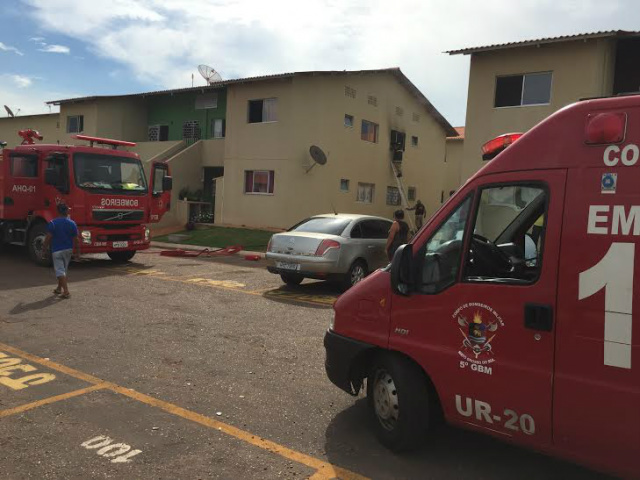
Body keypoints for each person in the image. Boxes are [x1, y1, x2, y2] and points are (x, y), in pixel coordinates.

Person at [43, 203, 79, 299]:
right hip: (68, 250)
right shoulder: (72, 223)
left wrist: (44, 249)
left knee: (59, 271)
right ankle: (59, 288)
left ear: (58, 211)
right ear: (67, 211)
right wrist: (77, 252)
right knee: (63, 270)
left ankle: (66, 292)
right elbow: (76, 239)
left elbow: (48, 238)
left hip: (57, 250)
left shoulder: (53, 223)